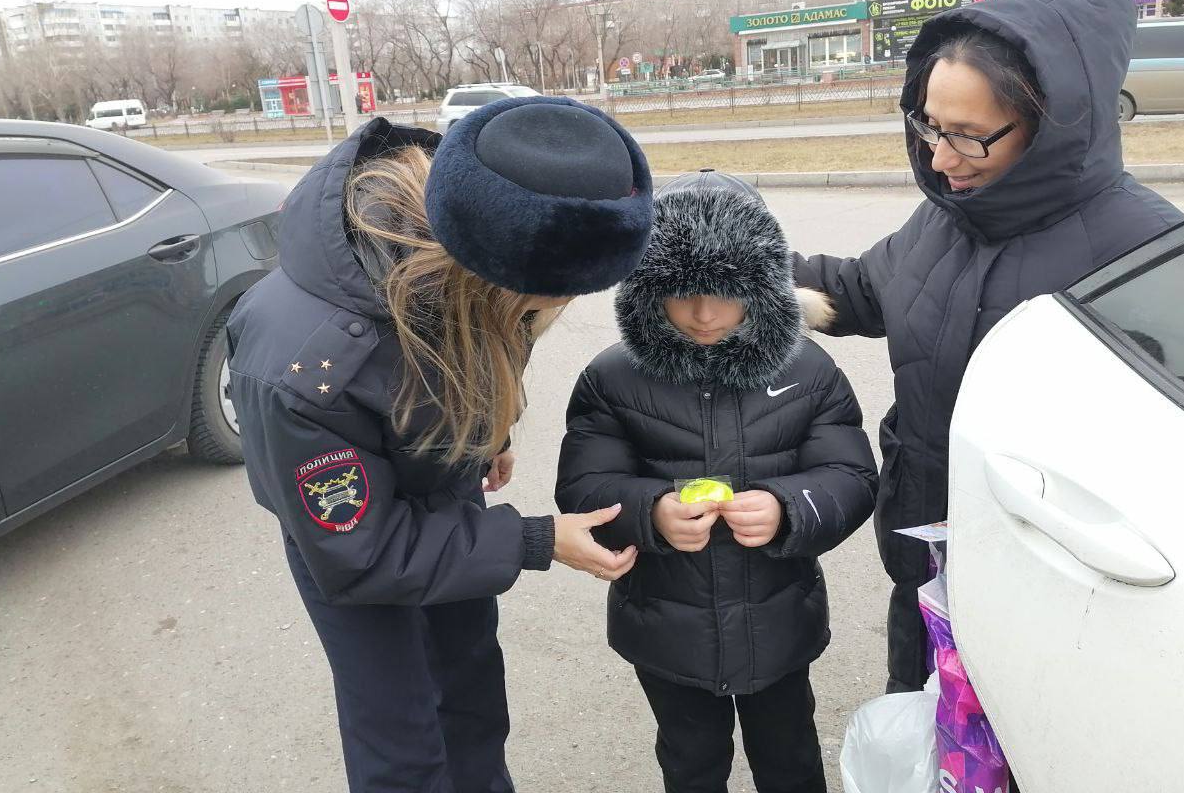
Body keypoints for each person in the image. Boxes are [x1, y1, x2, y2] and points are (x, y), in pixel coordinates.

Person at [226, 97, 655, 792]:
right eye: (541, 303)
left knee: (470, 695)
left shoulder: (479, 243)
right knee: (402, 737)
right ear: (486, 277)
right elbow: (362, 557)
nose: (547, 317)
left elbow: (491, 340)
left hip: (436, 486)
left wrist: (487, 434)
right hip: (352, 543)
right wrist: (537, 539)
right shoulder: (306, 375)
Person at [794, 0, 1184, 693]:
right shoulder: (947, 215)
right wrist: (735, 265)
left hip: (1053, 594)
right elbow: (858, 291)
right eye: (929, 126)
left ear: (1053, 122)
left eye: (969, 136)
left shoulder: (1150, 250)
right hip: (927, 565)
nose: (940, 159)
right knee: (923, 722)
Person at [556, 170, 879, 793]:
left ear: (761, 287)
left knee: (790, 755)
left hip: (778, 621)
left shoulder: (809, 371)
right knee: (691, 760)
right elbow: (584, 486)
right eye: (682, 294)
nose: (704, 315)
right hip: (667, 629)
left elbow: (850, 475)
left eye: (726, 293)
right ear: (647, 288)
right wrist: (651, 512)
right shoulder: (612, 378)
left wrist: (789, 506)